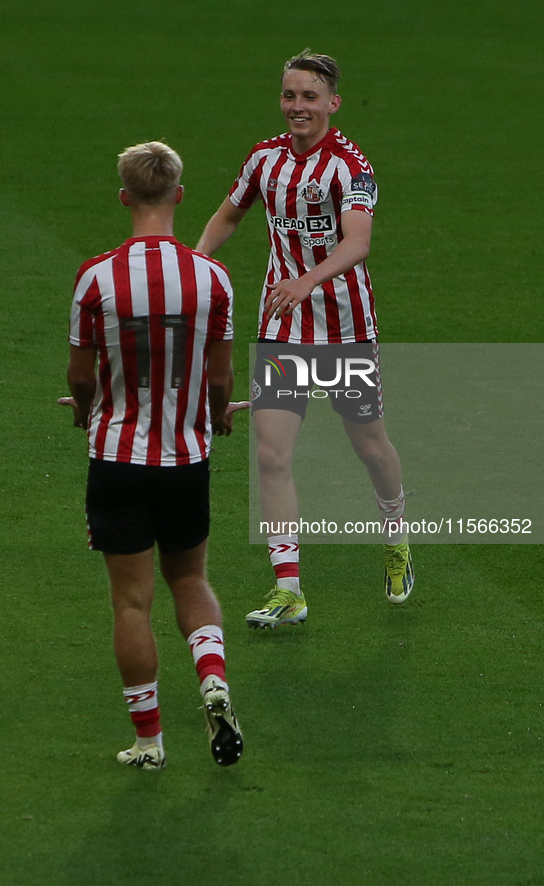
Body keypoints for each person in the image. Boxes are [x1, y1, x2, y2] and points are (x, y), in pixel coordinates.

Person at [196, 50, 414, 629]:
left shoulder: (350, 167)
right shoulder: (264, 159)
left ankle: (396, 535)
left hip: (345, 332)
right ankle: (289, 589)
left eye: (309, 96)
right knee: (270, 454)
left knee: (371, 449)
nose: (298, 106)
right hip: (283, 330)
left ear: (333, 103)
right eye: (290, 95)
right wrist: (193, 265)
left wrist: (306, 280)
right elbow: (229, 215)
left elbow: (358, 243)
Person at [60, 141, 244, 769]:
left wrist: (85, 411)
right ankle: (213, 680)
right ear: (179, 196)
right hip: (186, 460)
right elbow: (220, 382)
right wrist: (217, 416)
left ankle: (149, 741)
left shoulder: (96, 276)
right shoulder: (212, 278)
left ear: (124, 196)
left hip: (117, 458)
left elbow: (81, 377)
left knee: (132, 603)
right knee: (190, 578)